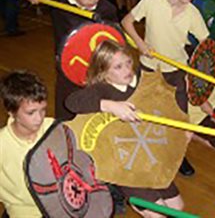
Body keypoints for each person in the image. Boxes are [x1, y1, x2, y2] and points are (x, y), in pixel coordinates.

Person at [65, 40, 186, 218]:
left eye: (128, 62)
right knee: (157, 214)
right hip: (124, 166)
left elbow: (173, 90)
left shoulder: (143, 81)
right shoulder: (101, 90)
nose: (127, 70)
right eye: (118, 67)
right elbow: (72, 102)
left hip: (151, 158)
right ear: (103, 72)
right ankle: (129, 197)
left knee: (178, 207)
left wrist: (184, 125)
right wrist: (109, 105)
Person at [121, 0, 209, 176]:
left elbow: (207, 45)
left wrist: (203, 72)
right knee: (146, 113)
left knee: (179, 118)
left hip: (177, 73)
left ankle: (177, 157)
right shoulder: (151, 1)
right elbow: (127, 21)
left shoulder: (192, 13)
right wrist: (140, 44)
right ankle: (145, 151)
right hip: (149, 70)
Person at [26, 0, 118, 121]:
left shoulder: (106, 10)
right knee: (66, 112)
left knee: (94, 114)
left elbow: (114, 43)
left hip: (96, 72)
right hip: (66, 70)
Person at [0, 70, 54, 218]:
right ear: (11, 112)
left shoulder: (54, 129)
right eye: (31, 113)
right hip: (23, 212)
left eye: (43, 110)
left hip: (57, 206)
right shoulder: (2, 145)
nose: (39, 118)